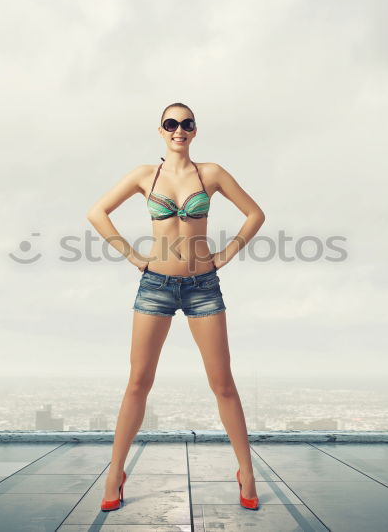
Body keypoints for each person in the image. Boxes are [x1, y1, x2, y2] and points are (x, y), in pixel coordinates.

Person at [86, 102, 266, 511]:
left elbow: (255, 214)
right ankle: (116, 471)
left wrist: (227, 253)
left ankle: (247, 471)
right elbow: (97, 213)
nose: (178, 130)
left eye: (186, 124)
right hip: (156, 286)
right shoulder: (144, 176)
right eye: (171, 124)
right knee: (138, 382)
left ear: (195, 130)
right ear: (161, 130)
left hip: (203, 286)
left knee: (223, 384)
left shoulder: (212, 174)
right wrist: (133, 256)